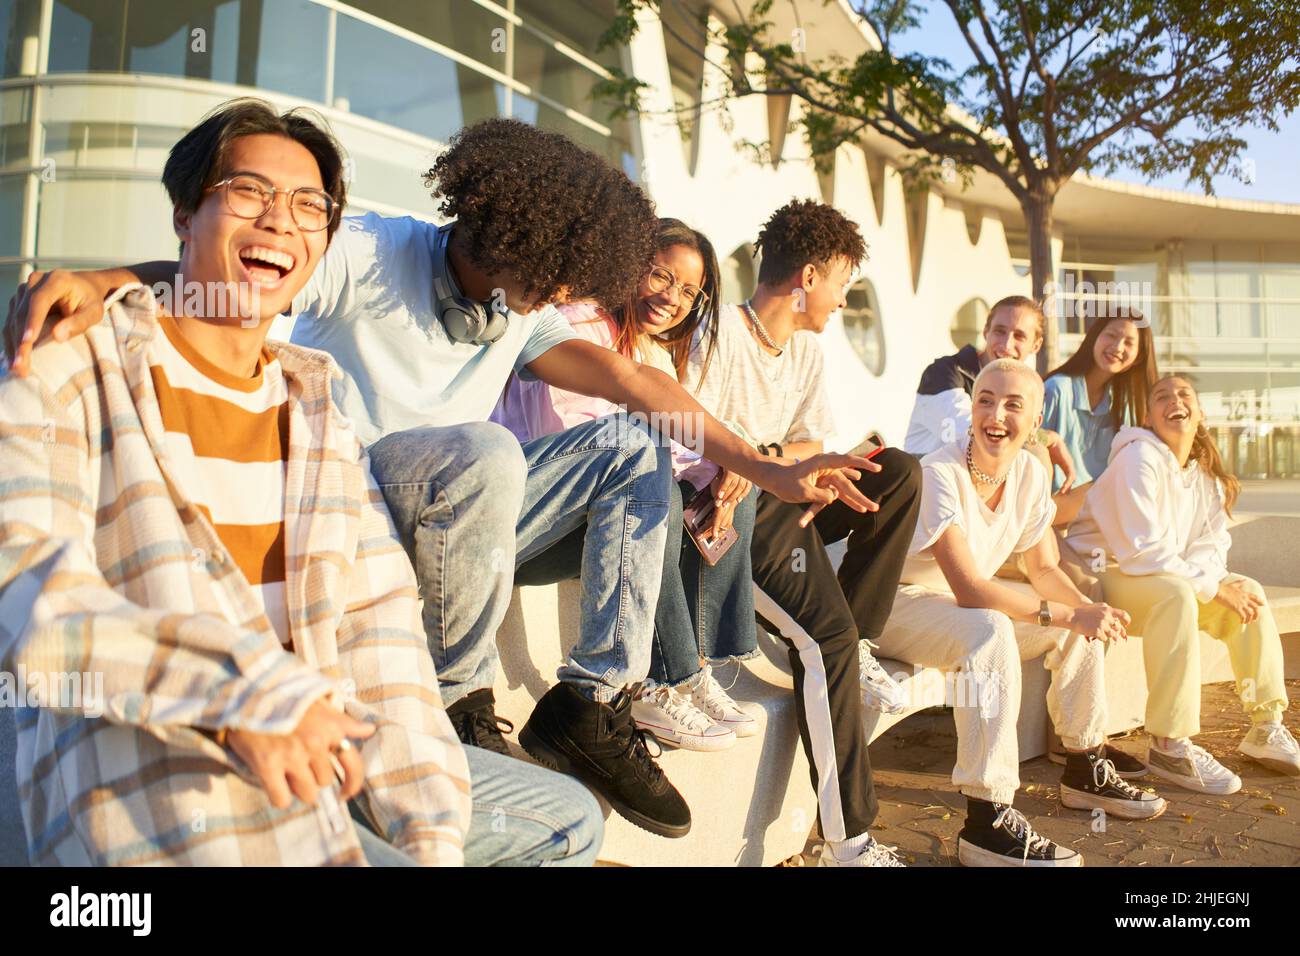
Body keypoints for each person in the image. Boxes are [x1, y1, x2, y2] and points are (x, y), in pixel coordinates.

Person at [4, 117, 875, 841]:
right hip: (366, 505)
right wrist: (103, 281)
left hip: (472, 522)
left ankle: (590, 700)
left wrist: (764, 466)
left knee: (630, 446)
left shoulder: (517, 308)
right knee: (484, 448)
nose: (570, 290)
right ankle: (461, 699)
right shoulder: (375, 251)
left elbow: (638, 384)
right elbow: (240, 278)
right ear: (518, 235)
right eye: (562, 271)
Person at [0, 99, 602, 866]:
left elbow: (380, 637)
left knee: (565, 817)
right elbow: (28, 597)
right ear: (185, 212)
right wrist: (248, 697)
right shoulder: (69, 365)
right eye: (248, 192)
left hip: (323, 753)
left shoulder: (318, 416)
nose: (281, 220)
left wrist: (431, 837)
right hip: (168, 773)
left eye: (309, 205)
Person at [682, 199, 923, 867]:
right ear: (810, 277)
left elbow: (809, 441)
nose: (845, 301)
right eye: (844, 283)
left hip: (782, 496)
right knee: (826, 641)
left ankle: (860, 636)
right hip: (729, 517)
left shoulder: (806, 353)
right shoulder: (716, 333)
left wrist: (764, 462)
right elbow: (683, 430)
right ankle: (850, 844)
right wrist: (746, 465)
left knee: (896, 470)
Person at [875, 358, 1167, 867]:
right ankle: (986, 820)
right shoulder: (939, 472)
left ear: (1035, 423)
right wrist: (1069, 613)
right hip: (900, 606)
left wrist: (1085, 609)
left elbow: (1046, 570)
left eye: (1014, 405)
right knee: (993, 629)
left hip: (959, 611)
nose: (996, 413)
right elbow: (969, 587)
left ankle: (1085, 767)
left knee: (1073, 626)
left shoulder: (1032, 472)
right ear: (972, 411)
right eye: (985, 399)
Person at [495, 218, 759, 751]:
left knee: (731, 481)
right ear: (629, 266)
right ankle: (662, 680)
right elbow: (577, 442)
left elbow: (677, 439)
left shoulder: (647, 348)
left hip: (582, 507)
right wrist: (701, 457)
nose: (673, 297)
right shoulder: (579, 326)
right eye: (661, 276)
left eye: (688, 290)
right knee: (649, 479)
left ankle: (696, 665)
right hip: (530, 513)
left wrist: (725, 467)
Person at [1066, 375, 1299, 793]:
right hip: (1098, 577)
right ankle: (1169, 743)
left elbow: (1211, 545)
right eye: (1161, 396)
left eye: (1184, 394)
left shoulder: (1203, 472)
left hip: (1158, 576)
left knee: (1248, 591)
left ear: (1200, 413)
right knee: (1176, 596)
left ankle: (1266, 726)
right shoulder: (1137, 459)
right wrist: (1211, 589)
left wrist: (1218, 585)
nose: (1174, 401)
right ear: (1150, 417)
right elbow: (1141, 552)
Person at [903, 295, 1075, 485]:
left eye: (1019, 336)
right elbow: (975, 431)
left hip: (978, 483)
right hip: (929, 484)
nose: (1007, 344)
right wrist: (1046, 437)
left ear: (1036, 345)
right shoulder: (945, 372)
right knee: (1034, 451)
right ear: (986, 332)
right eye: (1000, 331)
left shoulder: (1026, 388)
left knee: (1034, 456)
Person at [1041, 309, 1159, 525]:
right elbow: (1026, 444)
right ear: (1094, 337)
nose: (1117, 347)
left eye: (1129, 343)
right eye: (1111, 336)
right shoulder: (1057, 389)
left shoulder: (1126, 406)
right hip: (1048, 513)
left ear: (1138, 357)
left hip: (1097, 520)